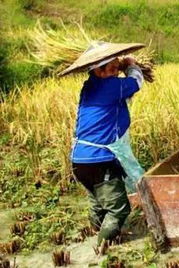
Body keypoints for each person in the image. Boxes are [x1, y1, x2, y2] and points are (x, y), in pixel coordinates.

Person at [60, 41, 145, 251]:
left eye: (118, 68)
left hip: (80, 162)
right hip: (100, 160)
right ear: (98, 70)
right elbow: (136, 82)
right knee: (118, 209)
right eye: (113, 69)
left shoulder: (89, 86)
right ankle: (102, 252)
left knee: (98, 204)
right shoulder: (110, 86)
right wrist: (131, 64)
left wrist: (120, 66)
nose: (117, 72)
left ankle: (93, 238)